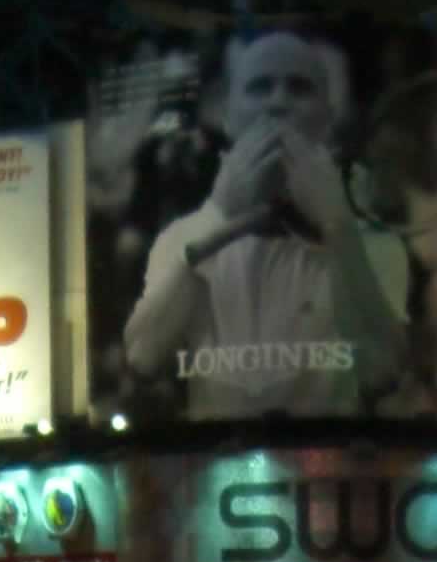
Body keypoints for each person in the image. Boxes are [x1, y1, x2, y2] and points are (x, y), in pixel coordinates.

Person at [118, 22, 414, 418]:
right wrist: (220, 214)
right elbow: (144, 357)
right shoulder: (184, 236)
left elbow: (380, 372)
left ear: (327, 120)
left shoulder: (375, 242)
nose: (278, 103)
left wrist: (338, 227)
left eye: (299, 88)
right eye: (260, 87)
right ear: (229, 118)